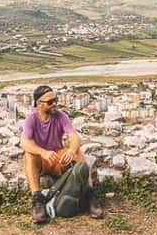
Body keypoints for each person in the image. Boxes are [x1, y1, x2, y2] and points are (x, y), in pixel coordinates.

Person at [20, 85, 105, 223]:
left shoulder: (61, 116)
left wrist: (71, 150)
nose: (54, 104)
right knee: (28, 155)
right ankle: (37, 200)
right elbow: (24, 142)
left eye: (55, 100)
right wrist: (43, 152)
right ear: (38, 104)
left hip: (57, 159)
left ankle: (91, 195)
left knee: (78, 152)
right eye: (50, 102)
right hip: (41, 160)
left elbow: (74, 136)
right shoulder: (32, 119)